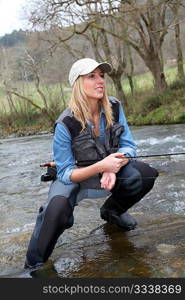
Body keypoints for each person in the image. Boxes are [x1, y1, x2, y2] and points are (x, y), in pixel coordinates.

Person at [25, 58, 158, 269]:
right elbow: (66, 172)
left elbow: (129, 146)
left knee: (146, 173)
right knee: (56, 209)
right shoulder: (65, 123)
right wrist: (101, 167)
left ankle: (112, 212)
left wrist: (115, 166)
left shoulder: (114, 106)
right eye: (92, 76)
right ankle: (34, 266)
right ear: (78, 83)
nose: (100, 81)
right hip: (77, 179)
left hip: (107, 176)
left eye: (102, 76)